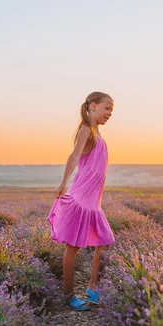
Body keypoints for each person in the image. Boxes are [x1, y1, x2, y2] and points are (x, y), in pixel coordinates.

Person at [47, 91, 115, 311]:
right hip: (80, 199)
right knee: (73, 247)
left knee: (104, 242)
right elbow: (74, 156)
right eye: (107, 108)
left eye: (111, 111)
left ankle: (92, 289)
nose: (109, 114)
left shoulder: (98, 134)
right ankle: (68, 295)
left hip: (93, 203)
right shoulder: (86, 130)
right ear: (93, 106)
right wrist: (63, 183)